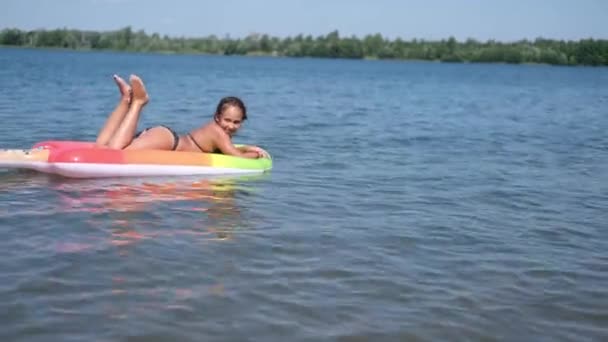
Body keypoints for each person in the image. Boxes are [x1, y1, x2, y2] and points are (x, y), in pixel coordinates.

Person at [95, 74, 269, 159]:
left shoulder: (219, 134)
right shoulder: (218, 132)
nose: (230, 125)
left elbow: (230, 149)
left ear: (242, 123)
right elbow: (235, 157)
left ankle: (126, 98)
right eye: (227, 120)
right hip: (169, 141)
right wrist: (256, 155)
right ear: (217, 118)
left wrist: (247, 147)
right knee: (114, 154)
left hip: (164, 137)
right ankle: (139, 102)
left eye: (236, 122)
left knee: (102, 146)